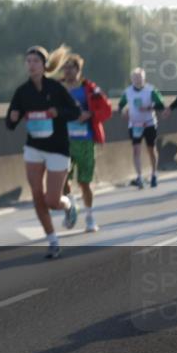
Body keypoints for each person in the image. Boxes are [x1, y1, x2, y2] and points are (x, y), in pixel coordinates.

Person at [5, 45, 81, 259]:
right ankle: (53, 241)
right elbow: (10, 121)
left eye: (35, 61)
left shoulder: (56, 89)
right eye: (28, 61)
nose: (31, 65)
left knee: (52, 201)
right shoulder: (22, 92)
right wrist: (12, 118)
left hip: (57, 148)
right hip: (34, 148)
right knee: (37, 195)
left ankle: (68, 204)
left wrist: (58, 112)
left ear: (44, 65)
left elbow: (75, 111)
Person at [58, 53, 111, 233]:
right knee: (62, 180)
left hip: (85, 140)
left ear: (78, 70)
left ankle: (89, 217)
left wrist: (90, 115)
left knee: (84, 182)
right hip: (64, 141)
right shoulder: (58, 88)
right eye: (65, 68)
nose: (67, 71)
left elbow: (106, 109)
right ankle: (71, 206)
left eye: (71, 67)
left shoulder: (89, 88)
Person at [118, 67, 165, 188]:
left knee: (151, 149)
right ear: (131, 79)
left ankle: (154, 174)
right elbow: (120, 106)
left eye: (140, 78)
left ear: (144, 79)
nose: (137, 81)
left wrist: (150, 108)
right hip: (134, 125)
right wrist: (124, 112)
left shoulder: (151, 90)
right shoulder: (127, 92)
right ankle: (139, 177)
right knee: (136, 150)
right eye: (135, 79)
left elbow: (161, 105)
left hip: (149, 123)